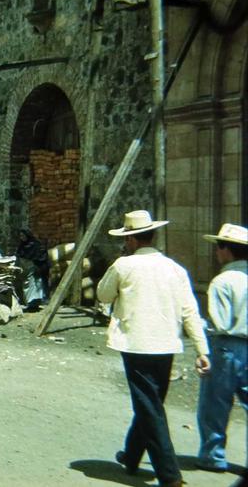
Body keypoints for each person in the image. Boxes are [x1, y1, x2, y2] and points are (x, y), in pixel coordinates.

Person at [96, 209, 210, 487]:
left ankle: (170, 475)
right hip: (167, 344)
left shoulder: (123, 266)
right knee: (151, 403)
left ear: (132, 240)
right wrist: (201, 349)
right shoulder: (175, 269)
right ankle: (132, 455)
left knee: (149, 406)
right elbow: (189, 311)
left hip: (136, 344)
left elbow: (103, 294)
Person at [196, 223, 247, 473]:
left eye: (219, 247)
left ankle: (213, 455)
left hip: (226, 347)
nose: (217, 252)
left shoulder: (222, 281)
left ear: (226, 250)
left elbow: (220, 322)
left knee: (215, 404)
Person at [16, 229, 50, 311]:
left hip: (36, 270)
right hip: (26, 271)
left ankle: (34, 304)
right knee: (27, 286)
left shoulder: (36, 245)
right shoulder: (22, 245)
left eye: (23, 236)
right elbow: (19, 255)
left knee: (36, 286)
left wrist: (36, 265)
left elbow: (41, 257)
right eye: (20, 236)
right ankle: (30, 304)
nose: (22, 237)